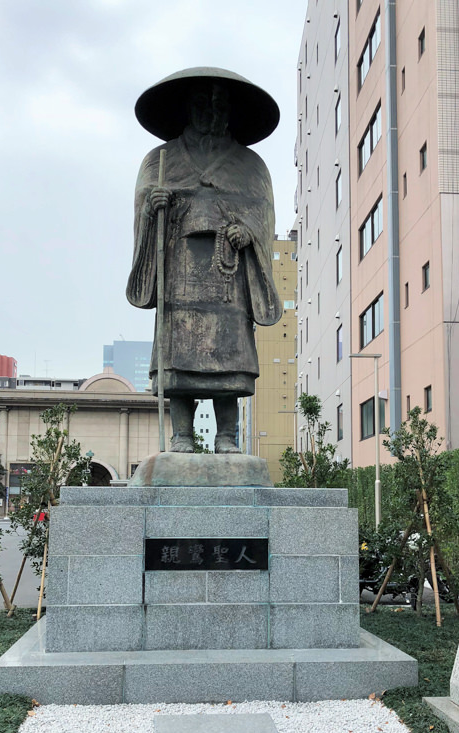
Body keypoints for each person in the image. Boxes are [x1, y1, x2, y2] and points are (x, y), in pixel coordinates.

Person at [127, 67, 282, 453]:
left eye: (218, 105)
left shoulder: (250, 166)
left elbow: (263, 218)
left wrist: (248, 233)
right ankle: (182, 434)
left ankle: (227, 435)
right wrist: (153, 208)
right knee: (179, 356)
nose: (209, 113)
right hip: (179, 272)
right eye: (200, 104)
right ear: (186, 109)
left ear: (230, 112)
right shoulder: (160, 160)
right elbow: (142, 208)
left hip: (227, 278)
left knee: (228, 359)